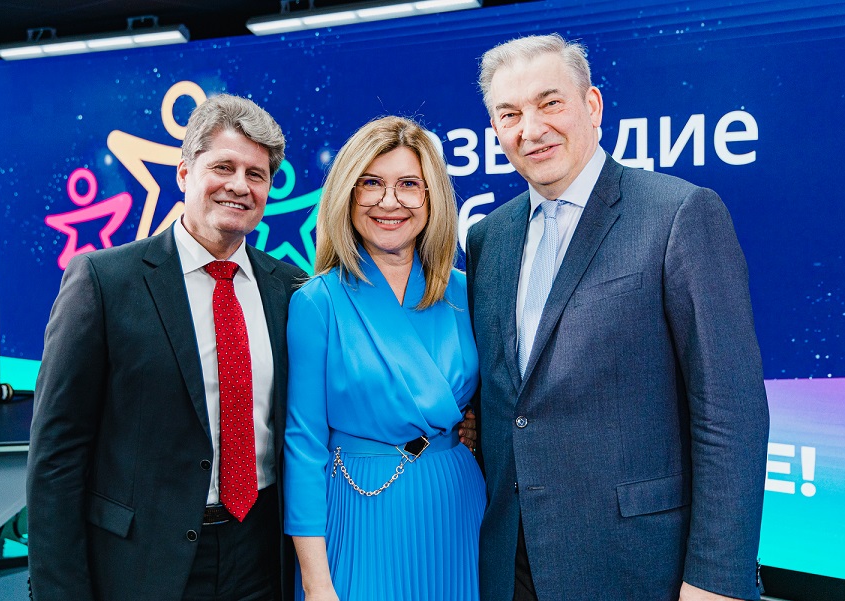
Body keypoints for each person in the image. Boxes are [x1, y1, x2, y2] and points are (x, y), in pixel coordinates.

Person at [466, 34, 770, 601]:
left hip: (638, 566)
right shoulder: (487, 238)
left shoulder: (678, 213)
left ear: (592, 105)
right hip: (511, 565)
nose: (530, 129)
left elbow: (730, 411)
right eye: (509, 114)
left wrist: (717, 579)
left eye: (549, 103)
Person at [26, 93, 305, 601]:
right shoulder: (104, 281)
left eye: (256, 174)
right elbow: (57, 455)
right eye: (223, 167)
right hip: (143, 563)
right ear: (183, 172)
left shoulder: (290, 289)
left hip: (263, 556)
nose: (239, 186)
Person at [283, 116, 485, 600]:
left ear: (432, 198)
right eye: (371, 183)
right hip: (360, 508)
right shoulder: (317, 302)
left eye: (409, 185)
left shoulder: (466, 291)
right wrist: (316, 582)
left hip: (457, 503)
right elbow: (304, 446)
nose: (389, 201)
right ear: (348, 194)